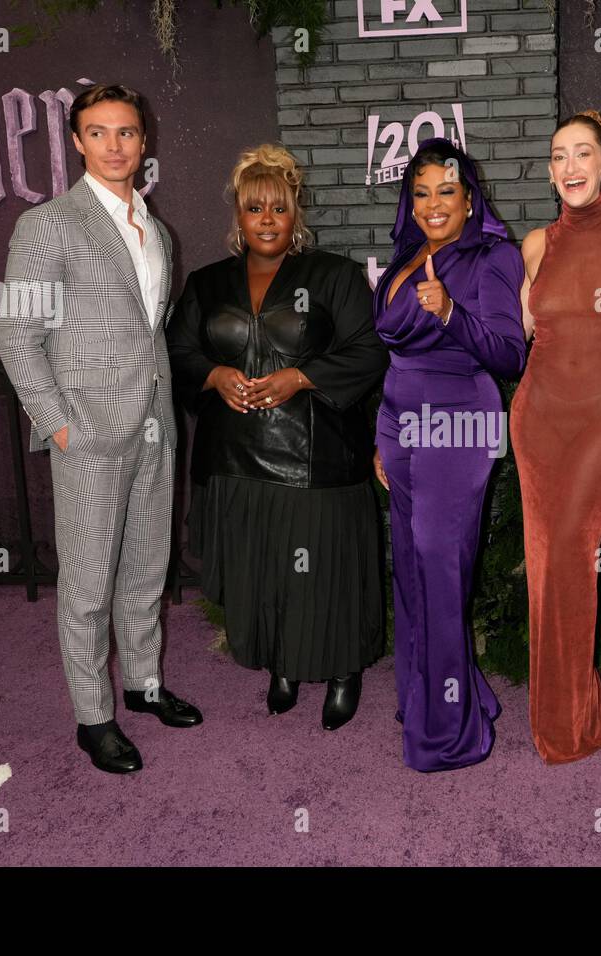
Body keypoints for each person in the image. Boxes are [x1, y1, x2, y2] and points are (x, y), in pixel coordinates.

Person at [0, 83, 202, 776]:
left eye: (127, 132)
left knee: (146, 568)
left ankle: (142, 685)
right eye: (99, 132)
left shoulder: (159, 231)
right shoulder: (47, 224)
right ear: (77, 141)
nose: (115, 146)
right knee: (87, 586)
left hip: (152, 424)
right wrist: (58, 427)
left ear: (145, 142)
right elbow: (16, 337)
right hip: (86, 433)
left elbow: (151, 333)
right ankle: (94, 716)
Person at [167, 144, 389, 730]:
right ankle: (283, 664)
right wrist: (214, 376)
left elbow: (368, 353)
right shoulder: (207, 283)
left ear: (297, 214)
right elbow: (177, 351)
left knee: (325, 574)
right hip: (236, 461)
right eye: (254, 208)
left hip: (317, 461)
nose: (266, 218)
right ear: (237, 216)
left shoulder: (334, 275)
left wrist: (302, 376)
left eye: (278, 208)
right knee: (265, 571)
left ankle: (343, 669)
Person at [372, 138, 526, 772]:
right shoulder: (407, 256)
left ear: (470, 199)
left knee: (440, 569)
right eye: (422, 192)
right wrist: (379, 436)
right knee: (410, 568)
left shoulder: (493, 257)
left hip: (458, 422)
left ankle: (449, 732)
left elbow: (510, 354)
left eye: (448, 192)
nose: (434, 204)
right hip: (399, 421)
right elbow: (390, 351)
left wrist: (452, 313)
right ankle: (426, 698)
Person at [512, 110, 601, 764]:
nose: (570, 167)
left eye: (583, 154)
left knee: (571, 550)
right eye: (558, 157)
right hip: (537, 419)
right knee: (547, 564)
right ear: (551, 171)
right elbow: (525, 335)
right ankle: (570, 713)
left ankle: (569, 720)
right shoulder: (535, 245)